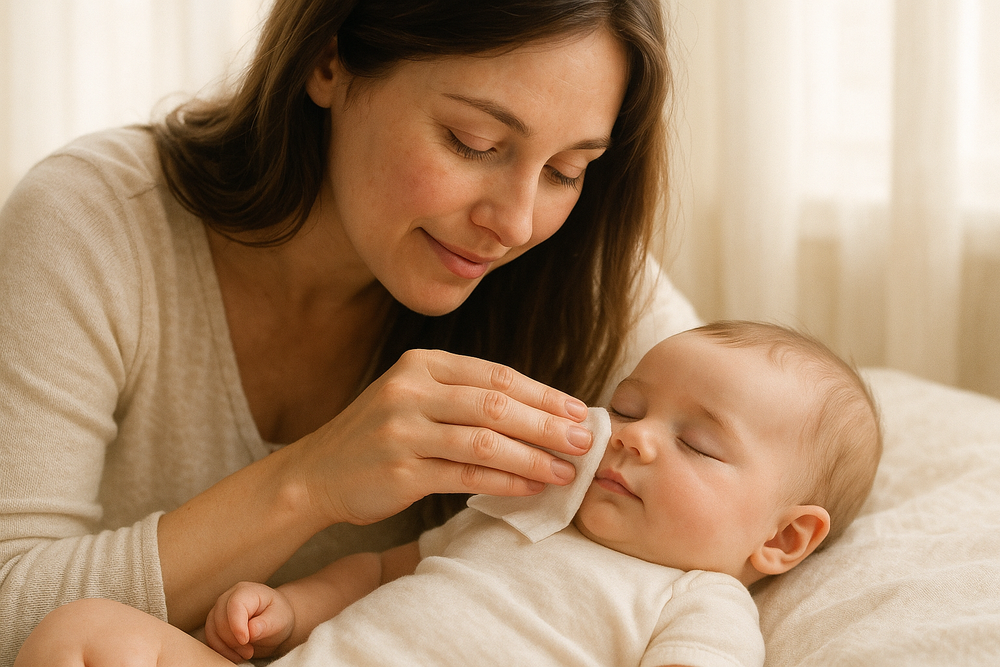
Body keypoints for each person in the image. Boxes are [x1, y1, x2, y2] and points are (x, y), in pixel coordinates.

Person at [0, 0, 704, 662]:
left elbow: (766, 494)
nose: (516, 224)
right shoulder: (96, 221)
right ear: (328, 61)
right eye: (474, 143)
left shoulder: (578, 272)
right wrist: (311, 482)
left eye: (565, 170)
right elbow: (11, 606)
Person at [15, 321, 883, 667]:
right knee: (80, 633)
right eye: (626, 406)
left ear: (783, 539)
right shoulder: (530, 506)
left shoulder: (696, 599)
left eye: (697, 443)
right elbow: (382, 569)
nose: (633, 436)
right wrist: (291, 607)